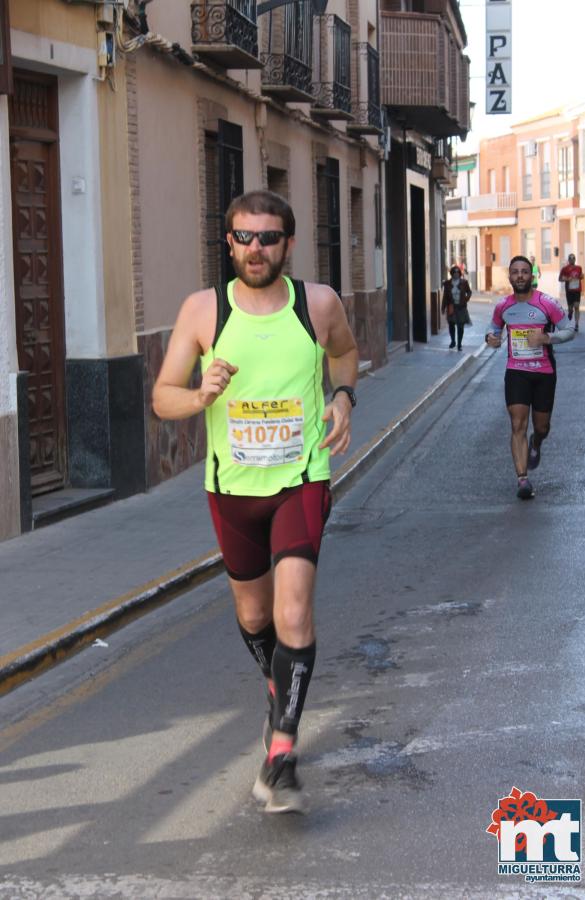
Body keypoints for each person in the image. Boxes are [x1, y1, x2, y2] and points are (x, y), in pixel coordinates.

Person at [152, 190, 359, 814]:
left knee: (294, 613)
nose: (256, 249)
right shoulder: (203, 312)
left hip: (301, 478)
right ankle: (278, 688)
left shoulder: (316, 305)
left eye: (269, 238)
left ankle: (281, 755)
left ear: (288, 245)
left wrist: (344, 397)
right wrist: (199, 395)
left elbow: (345, 354)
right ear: (229, 243)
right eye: (244, 237)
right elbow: (163, 397)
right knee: (253, 617)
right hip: (232, 490)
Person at [485, 256, 575, 500]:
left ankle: (537, 442)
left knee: (542, 427)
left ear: (531, 276)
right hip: (516, 372)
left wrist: (548, 339)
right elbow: (493, 331)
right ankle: (522, 479)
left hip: (544, 373)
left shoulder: (547, 303)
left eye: (525, 271)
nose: (520, 276)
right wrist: (491, 339)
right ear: (510, 277)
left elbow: (569, 330)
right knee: (517, 424)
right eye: (515, 272)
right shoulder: (503, 306)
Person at [441, 265, 472, 350]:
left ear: (460, 273)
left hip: (461, 307)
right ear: (451, 273)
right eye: (454, 272)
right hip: (451, 307)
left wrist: (466, 299)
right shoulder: (447, 283)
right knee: (451, 324)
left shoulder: (464, 282)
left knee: (460, 326)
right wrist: (443, 307)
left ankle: (459, 344)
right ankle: (453, 341)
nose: (456, 274)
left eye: (457, 272)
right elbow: (445, 296)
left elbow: (469, 292)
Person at [559, 253, 584, 332]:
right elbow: (560, 279)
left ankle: (576, 324)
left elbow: (581, 276)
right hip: (569, 291)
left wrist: (581, 276)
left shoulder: (579, 268)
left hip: (577, 290)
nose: (572, 259)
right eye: (571, 258)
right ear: (568, 260)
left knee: (577, 306)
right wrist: (567, 279)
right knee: (570, 308)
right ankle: (570, 313)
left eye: (573, 258)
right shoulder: (564, 269)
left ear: (575, 259)